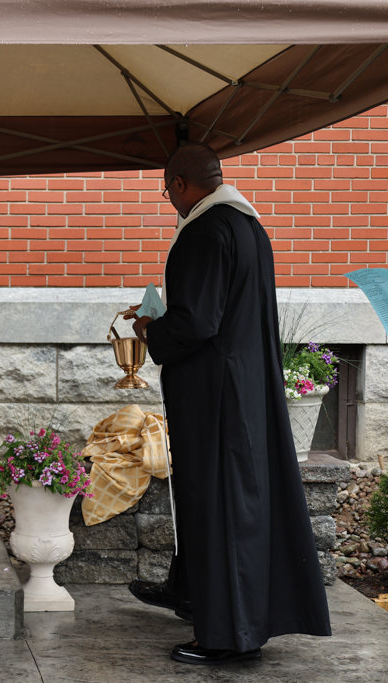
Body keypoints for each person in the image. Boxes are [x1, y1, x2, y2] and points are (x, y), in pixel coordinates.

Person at [126, 142, 332, 665]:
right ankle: (193, 594)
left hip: (215, 398)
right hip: (245, 391)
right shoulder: (249, 228)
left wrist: (151, 328)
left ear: (178, 184)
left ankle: (226, 635)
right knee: (225, 501)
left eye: (166, 191)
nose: (169, 201)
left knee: (217, 504)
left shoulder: (203, 230)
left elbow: (197, 323)